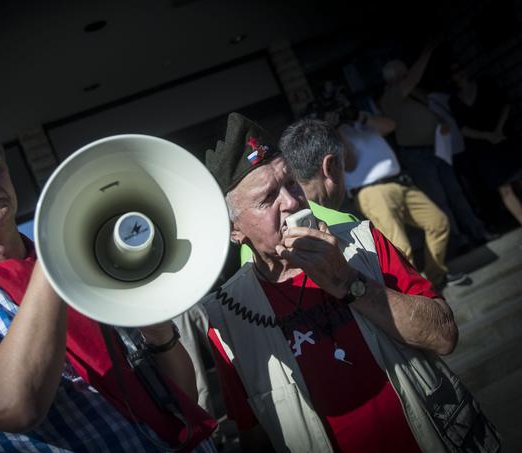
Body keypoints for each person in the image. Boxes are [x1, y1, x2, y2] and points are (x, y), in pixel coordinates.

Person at [0, 94, 217, 452]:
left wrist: (159, 334)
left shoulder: (85, 263)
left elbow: (179, 393)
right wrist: (59, 250)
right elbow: (10, 404)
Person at [201, 112, 499, 452]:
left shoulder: (363, 241)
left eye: (292, 183)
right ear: (234, 230)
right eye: (268, 199)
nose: (293, 202)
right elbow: (254, 431)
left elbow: (444, 336)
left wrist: (347, 281)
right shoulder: (228, 316)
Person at [286, 113, 451, 288]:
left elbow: (391, 125)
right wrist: (337, 129)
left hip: (399, 182)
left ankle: (432, 282)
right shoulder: (332, 139)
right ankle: (416, 291)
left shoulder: (362, 122)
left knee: (439, 222)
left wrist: (358, 116)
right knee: (401, 249)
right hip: (372, 191)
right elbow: (350, 163)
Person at [380, 41, 490, 256]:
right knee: (438, 198)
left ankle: (478, 232)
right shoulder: (391, 95)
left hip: (437, 148)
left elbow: (430, 110)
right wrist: (427, 50)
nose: (407, 76)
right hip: (416, 155)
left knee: (455, 193)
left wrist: (441, 122)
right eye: (403, 73)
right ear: (393, 77)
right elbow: (412, 80)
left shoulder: (416, 93)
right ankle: (458, 242)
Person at [449, 64, 522, 226]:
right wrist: (488, 136)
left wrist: (498, 130)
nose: (459, 74)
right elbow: (463, 129)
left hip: (504, 137)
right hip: (484, 148)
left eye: (460, 69)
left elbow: (505, 104)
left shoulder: (485, 84)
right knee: (504, 189)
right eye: (454, 73)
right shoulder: (454, 100)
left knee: (519, 178)